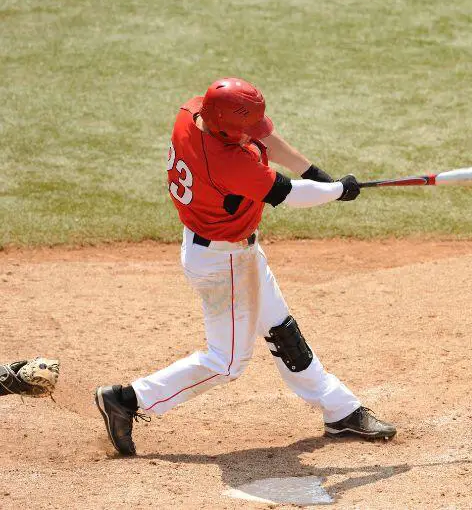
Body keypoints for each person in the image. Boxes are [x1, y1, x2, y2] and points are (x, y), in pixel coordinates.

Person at [94, 77, 395, 456]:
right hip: (224, 263)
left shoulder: (194, 111)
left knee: (281, 330)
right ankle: (128, 399)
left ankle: (340, 409)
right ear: (224, 127)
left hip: (228, 249)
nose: (250, 133)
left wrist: (314, 171)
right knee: (226, 362)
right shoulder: (225, 161)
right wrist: (337, 190)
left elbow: (265, 138)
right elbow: (287, 195)